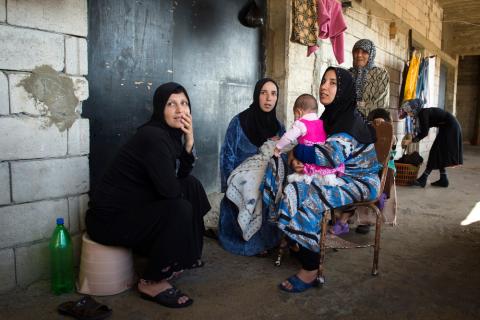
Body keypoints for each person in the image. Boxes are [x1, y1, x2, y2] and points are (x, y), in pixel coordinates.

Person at [85, 82, 211, 308]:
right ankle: (152, 281)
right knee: (178, 206)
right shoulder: (153, 137)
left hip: (134, 209)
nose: (180, 110)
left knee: (190, 184)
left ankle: (187, 256)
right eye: (171, 104)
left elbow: (181, 176)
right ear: (159, 108)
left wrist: (189, 141)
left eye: (184, 103)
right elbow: (170, 192)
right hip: (108, 221)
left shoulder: (169, 136)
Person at [262, 67, 381, 292]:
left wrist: (295, 152)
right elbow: (314, 150)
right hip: (335, 176)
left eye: (333, 82)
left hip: (360, 181)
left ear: (344, 90)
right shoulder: (329, 117)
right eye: (324, 80)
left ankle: (310, 269)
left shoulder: (350, 122)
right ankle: (297, 238)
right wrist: (294, 158)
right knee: (291, 186)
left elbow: (328, 156)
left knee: (310, 199)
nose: (324, 86)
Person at [218, 78, 285, 256]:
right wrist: (228, 186)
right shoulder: (239, 122)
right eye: (263, 93)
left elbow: (284, 157)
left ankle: (268, 238)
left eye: (273, 94)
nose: (268, 98)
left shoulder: (279, 129)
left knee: (269, 187)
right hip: (240, 182)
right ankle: (250, 239)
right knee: (252, 188)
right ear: (256, 95)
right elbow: (227, 155)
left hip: (267, 179)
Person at [349, 38, 390, 234]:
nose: (359, 55)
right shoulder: (347, 75)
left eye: (364, 52)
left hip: (372, 130)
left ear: (371, 54)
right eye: (357, 51)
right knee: (347, 170)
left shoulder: (380, 74)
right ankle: (344, 213)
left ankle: (366, 219)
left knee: (371, 172)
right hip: (349, 129)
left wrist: (356, 107)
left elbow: (379, 105)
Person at [274, 94, 345, 185]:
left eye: (294, 115)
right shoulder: (321, 123)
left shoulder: (301, 124)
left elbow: (288, 137)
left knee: (297, 151)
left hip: (307, 159)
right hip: (321, 162)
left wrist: (278, 147)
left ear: (298, 112)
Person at [400, 99, 463, 188]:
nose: (408, 115)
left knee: (435, 151)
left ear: (414, 110)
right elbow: (422, 131)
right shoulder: (422, 113)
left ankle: (423, 179)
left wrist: (411, 141)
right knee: (440, 152)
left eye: (409, 112)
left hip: (450, 128)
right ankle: (443, 179)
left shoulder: (423, 114)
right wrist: (412, 138)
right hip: (448, 127)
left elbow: (424, 133)